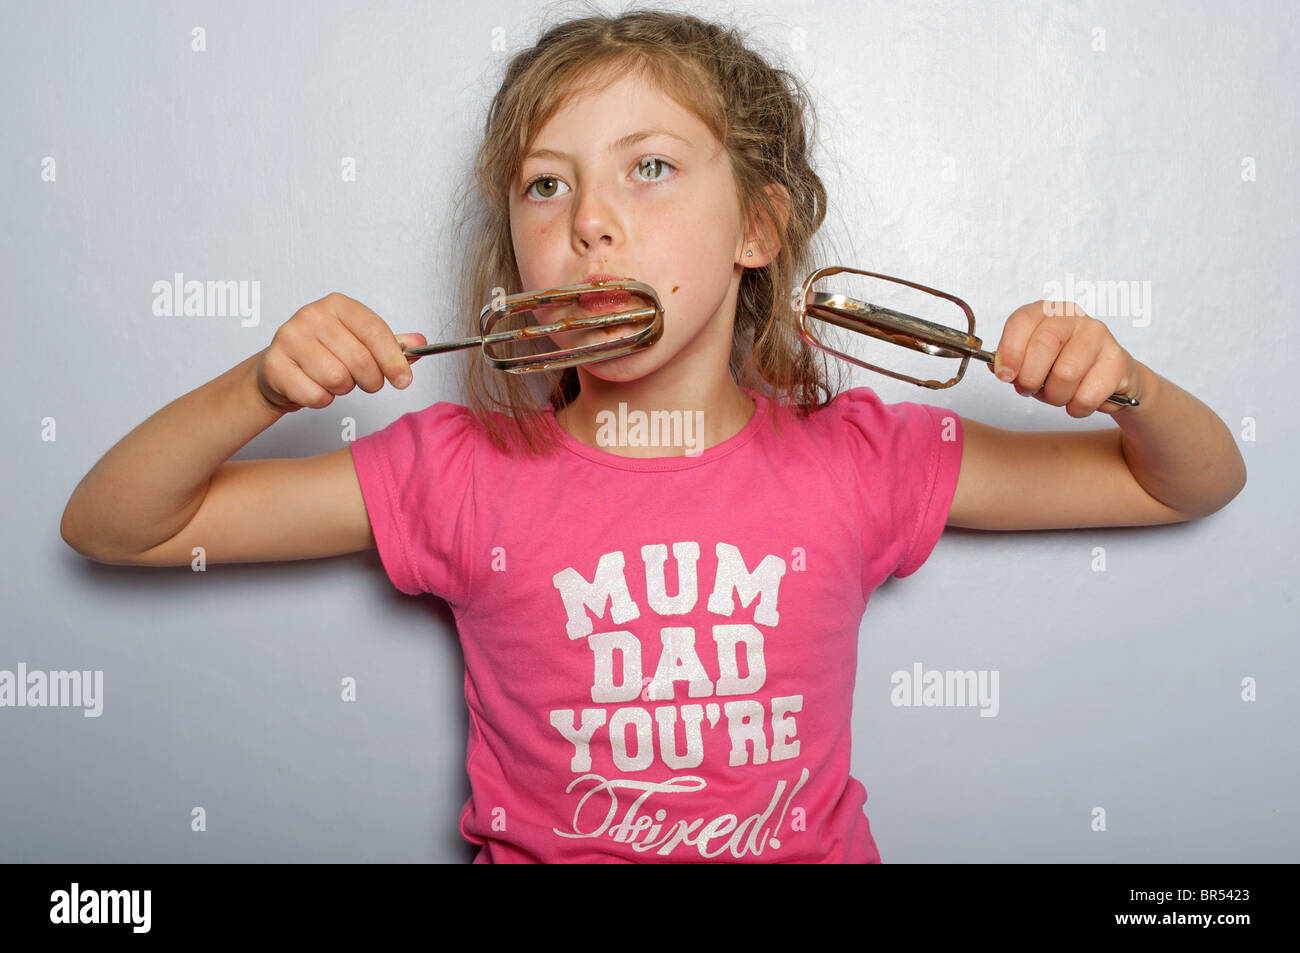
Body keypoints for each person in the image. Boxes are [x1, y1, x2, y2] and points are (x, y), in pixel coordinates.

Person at [60, 9, 1246, 863]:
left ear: (756, 228)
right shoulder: (456, 474)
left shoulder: (860, 461)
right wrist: (260, 384)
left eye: (651, 169)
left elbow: (1184, 487)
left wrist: (1123, 383)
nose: (592, 226)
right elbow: (115, 526)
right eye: (546, 186)